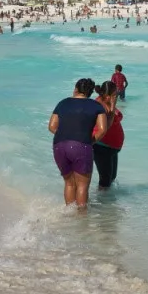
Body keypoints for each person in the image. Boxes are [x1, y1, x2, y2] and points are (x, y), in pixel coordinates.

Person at [48, 78, 107, 209]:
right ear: (90, 92)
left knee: (69, 183)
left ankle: (69, 215)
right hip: (81, 145)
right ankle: (81, 221)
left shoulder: (62, 103)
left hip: (59, 145)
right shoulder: (96, 106)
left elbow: (52, 126)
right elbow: (102, 129)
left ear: (75, 89)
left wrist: (67, 135)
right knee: (82, 186)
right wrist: (90, 141)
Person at [93, 81, 124, 190]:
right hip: (102, 146)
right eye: (115, 94)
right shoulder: (99, 106)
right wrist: (113, 106)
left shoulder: (106, 103)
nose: (117, 95)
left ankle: (108, 204)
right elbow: (106, 127)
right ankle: (102, 205)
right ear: (107, 96)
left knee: (112, 177)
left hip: (111, 148)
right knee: (105, 181)